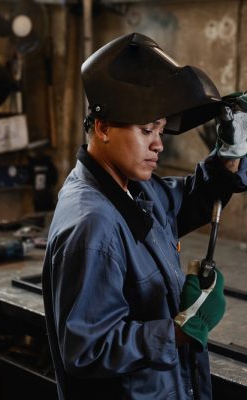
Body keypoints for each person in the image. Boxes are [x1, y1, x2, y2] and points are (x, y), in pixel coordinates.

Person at [42, 32, 247, 400]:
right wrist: (181, 330)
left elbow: (185, 202)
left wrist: (229, 157)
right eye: (145, 130)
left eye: (160, 129)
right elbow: (88, 350)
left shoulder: (132, 188)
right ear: (102, 128)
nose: (159, 143)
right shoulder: (93, 224)